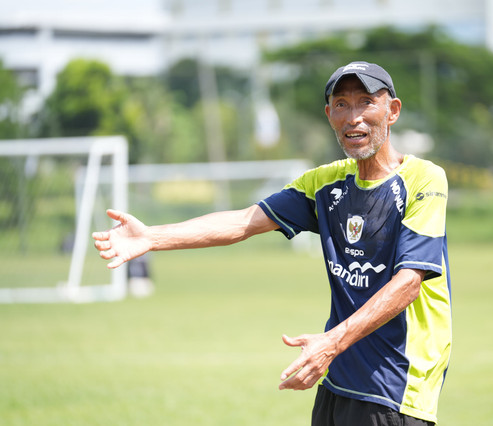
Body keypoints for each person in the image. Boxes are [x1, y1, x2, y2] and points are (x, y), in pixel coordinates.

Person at [93, 61, 452, 426]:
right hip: (337, 382)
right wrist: (153, 237)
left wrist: (331, 343)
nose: (353, 117)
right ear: (329, 115)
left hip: (395, 388)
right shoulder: (325, 184)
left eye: (365, 102)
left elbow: (408, 283)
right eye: (341, 104)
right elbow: (242, 222)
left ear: (392, 111)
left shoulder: (423, 179)